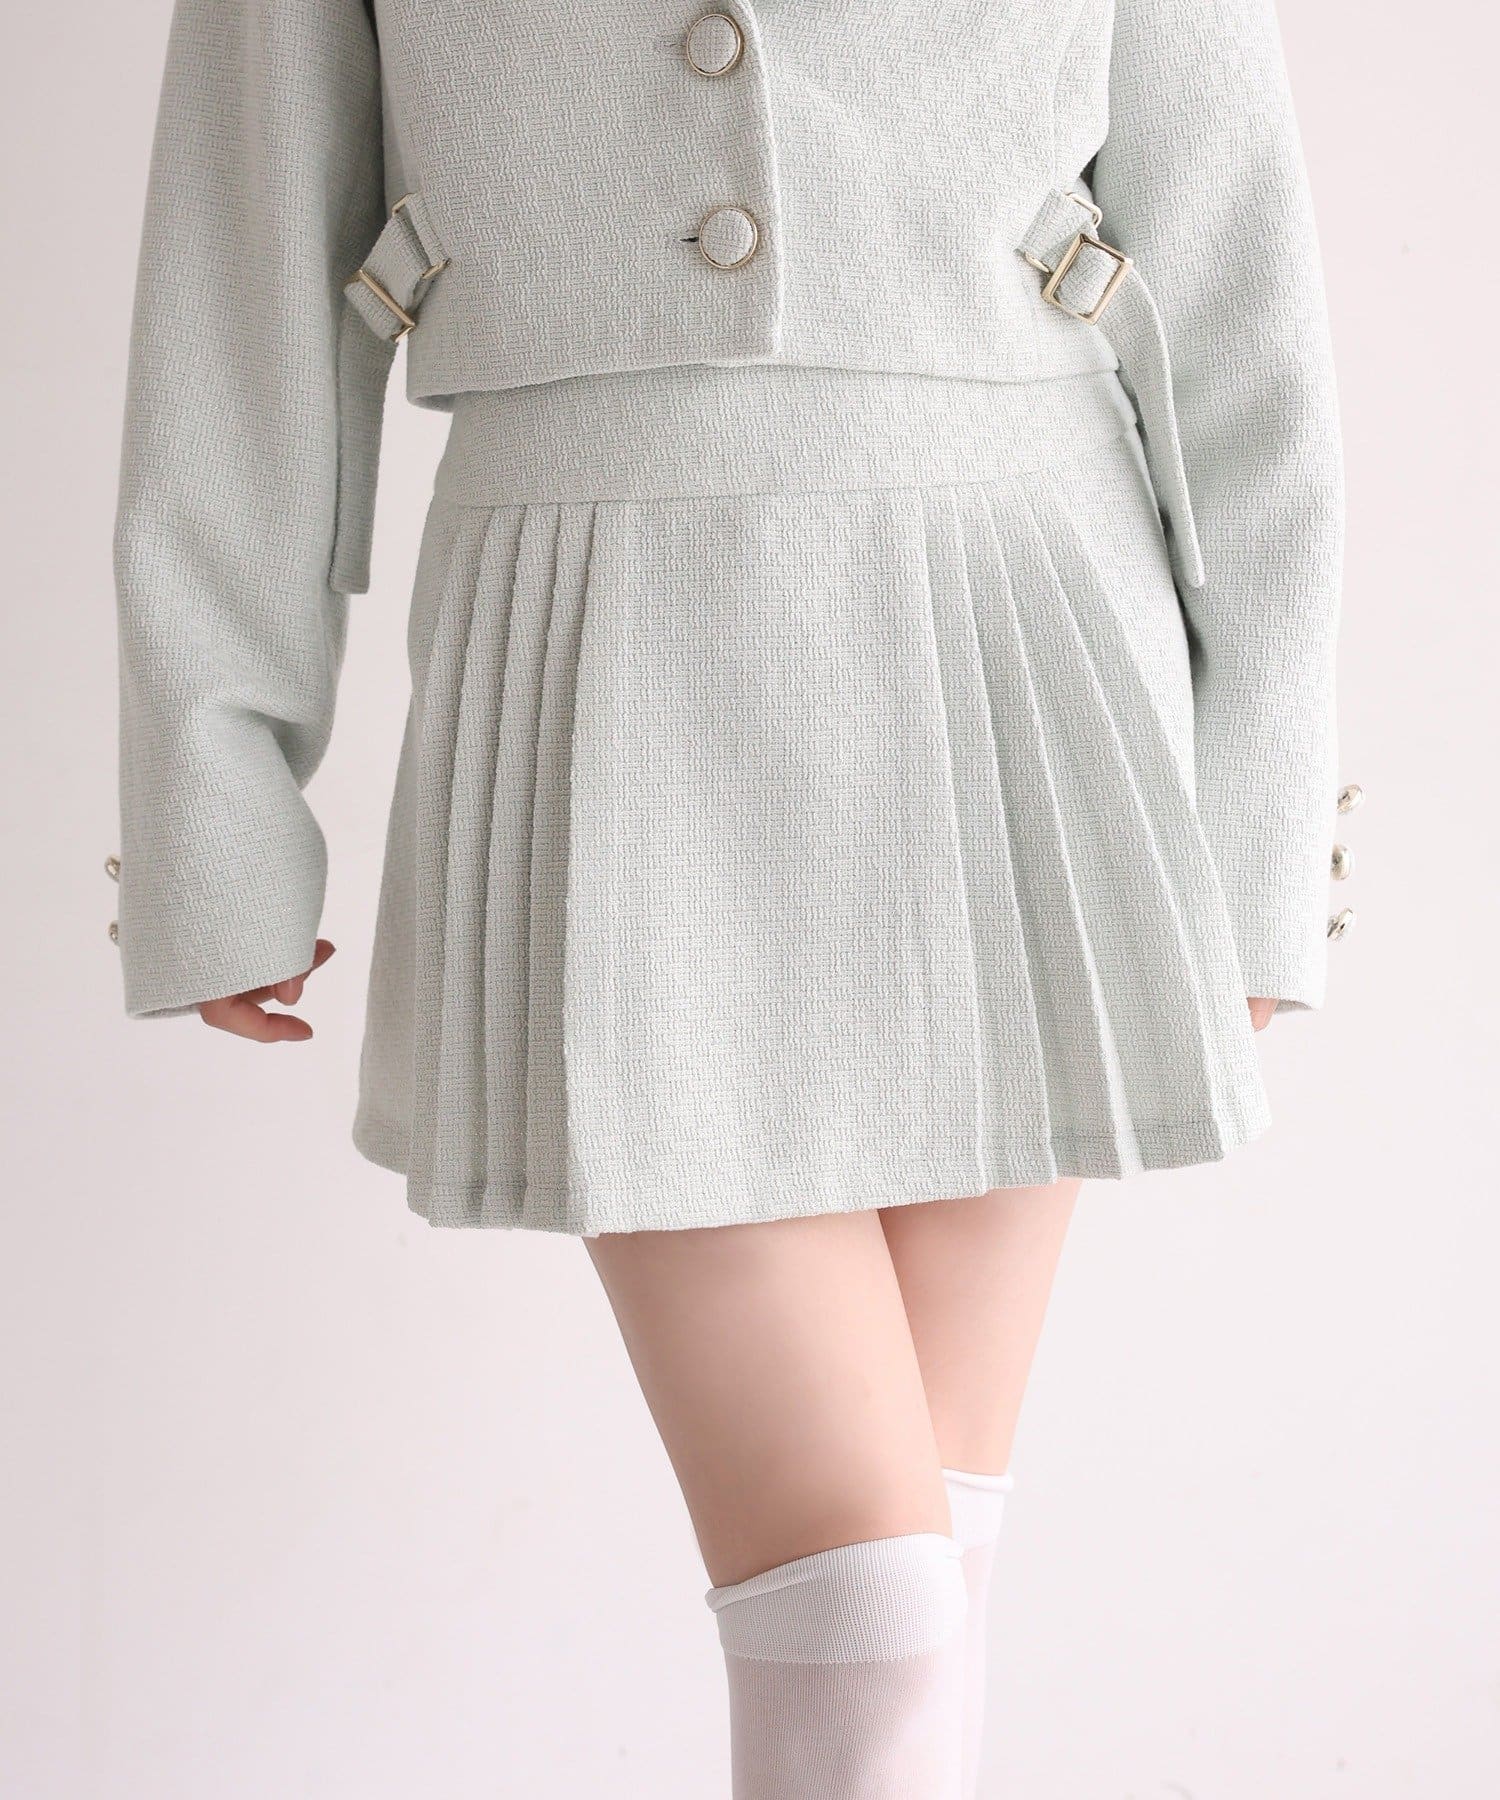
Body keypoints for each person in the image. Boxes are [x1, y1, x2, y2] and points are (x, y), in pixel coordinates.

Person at [109, 4, 1352, 1793]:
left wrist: (1261, 832)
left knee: (920, 1607)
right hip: (602, 656)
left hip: (1031, 646)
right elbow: (240, 290)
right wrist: (212, 794)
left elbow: (1243, 298)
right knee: (870, 1627)